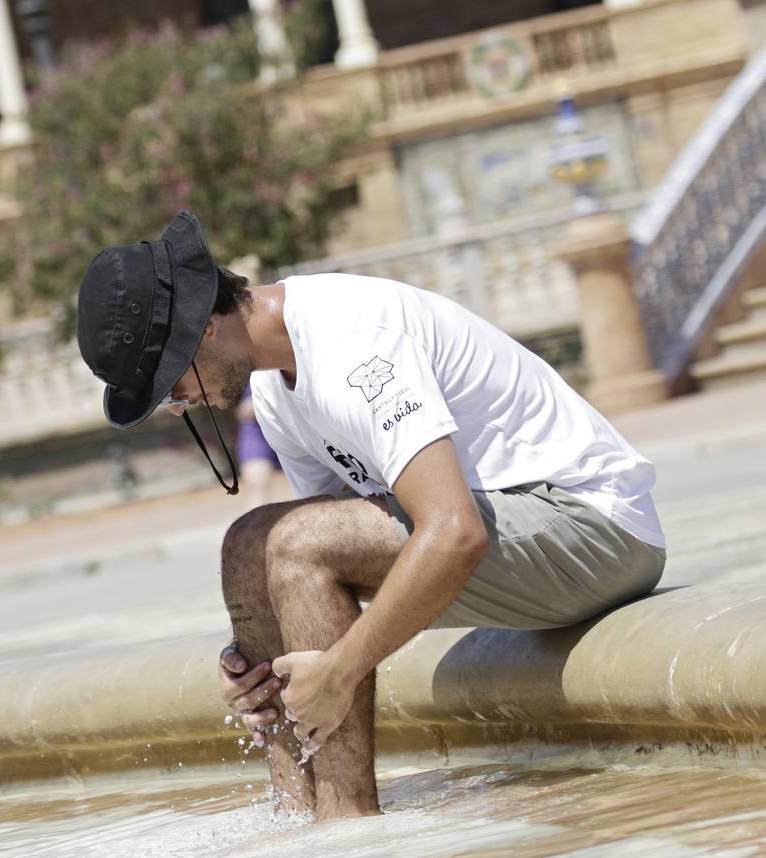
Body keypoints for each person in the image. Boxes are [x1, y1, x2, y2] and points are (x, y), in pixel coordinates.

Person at [74, 210, 665, 820]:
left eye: (169, 385)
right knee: (249, 544)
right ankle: (300, 821)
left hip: (594, 530)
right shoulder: (277, 386)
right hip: (512, 550)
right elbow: (329, 555)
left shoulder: (352, 343)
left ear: (201, 329)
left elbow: (453, 531)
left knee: (294, 541)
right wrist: (254, 657)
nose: (176, 406)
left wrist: (341, 670)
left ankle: (346, 823)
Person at [235, 384, 283, 508]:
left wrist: (262, 398)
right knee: (255, 483)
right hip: (254, 427)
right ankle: (258, 526)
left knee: (311, 483)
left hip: (288, 421)